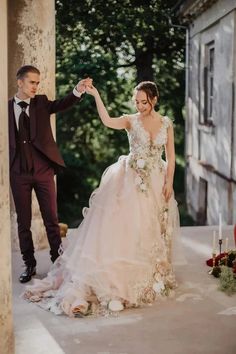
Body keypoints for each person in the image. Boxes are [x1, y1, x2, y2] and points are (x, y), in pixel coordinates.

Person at [24, 81, 182, 316]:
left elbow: (170, 156)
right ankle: (119, 281)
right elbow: (107, 121)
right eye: (136, 101)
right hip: (130, 180)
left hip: (157, 182)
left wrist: (169, 182)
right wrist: (96, 95)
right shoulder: (131, 120)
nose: (139, 106)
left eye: (144, 102)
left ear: (154, 100)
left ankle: (151, 274)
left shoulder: (166, 123)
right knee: (126, 229)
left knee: (151, 228)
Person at [9, 65, 92, 283]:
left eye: (38, 82)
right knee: (23, 222)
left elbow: (62, 103)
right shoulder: (6, 108)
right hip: (18, 173)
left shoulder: (41, 103)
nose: (36, 86)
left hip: (44, 171)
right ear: (20, 82)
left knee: (51, 220)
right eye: (32, 82)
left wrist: (78, 89)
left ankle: (58, 261)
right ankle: (29, 264)